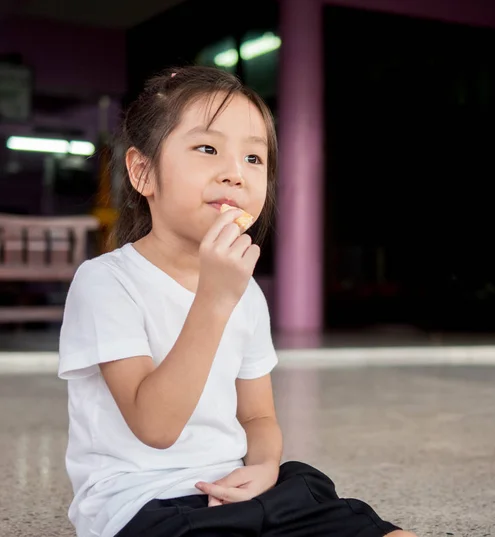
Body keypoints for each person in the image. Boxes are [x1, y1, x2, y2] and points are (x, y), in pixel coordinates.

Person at [58, 65, 417, 537]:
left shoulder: (244, 291)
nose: (234, 173)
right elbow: (156, 426)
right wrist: (213, 298)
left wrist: (265, 466)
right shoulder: (106, 282)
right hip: (144, 503)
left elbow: (257, 415)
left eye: (254, 158)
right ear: (143, 172)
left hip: (236, 489)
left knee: (333, 505)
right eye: (207, 149)